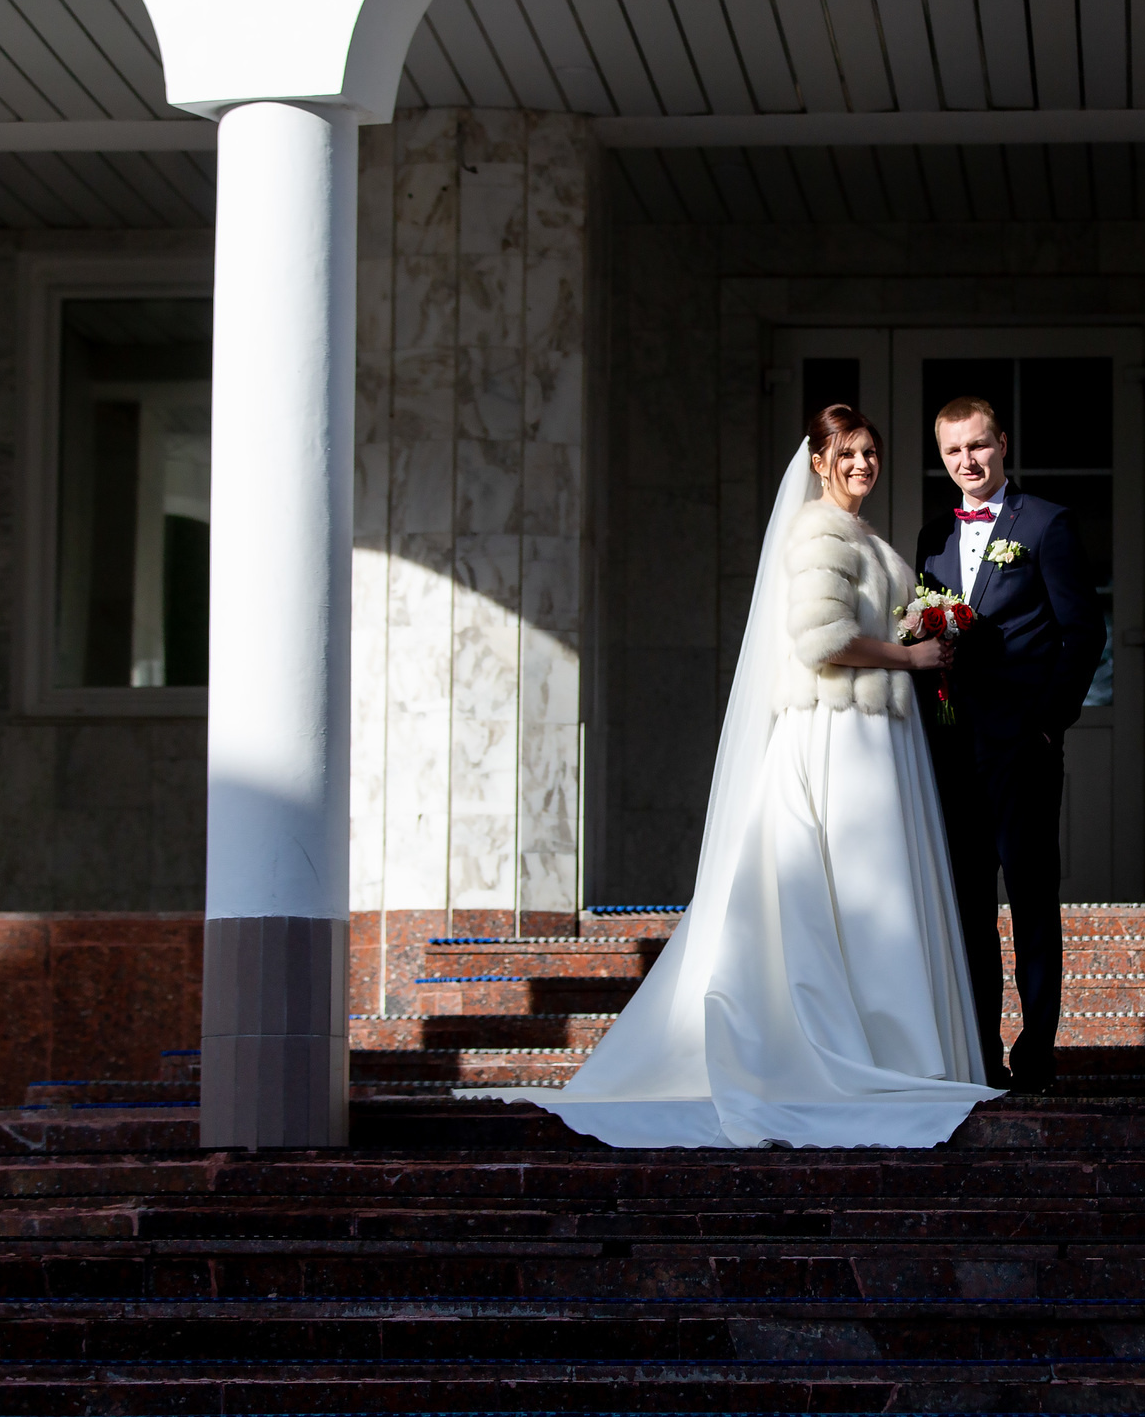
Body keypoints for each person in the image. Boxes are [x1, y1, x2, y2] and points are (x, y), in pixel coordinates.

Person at [470, 406, 1000, 1148]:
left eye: (871, 452)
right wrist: (908, 656)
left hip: (882, 734)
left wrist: (923, 631)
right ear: (818, 461)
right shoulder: (819, 534)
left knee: (877, 887)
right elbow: (822, 640)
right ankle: (851, 1046)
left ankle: (893, 1045)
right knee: (852, 882)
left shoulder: (869, 540)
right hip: (839, 731)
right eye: (847, 453)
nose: (862, 465)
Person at [914, 396, 1105, 1092]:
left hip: (1023, 745)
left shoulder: (1047, 524)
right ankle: (980, 1053)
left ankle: (1037, 1054)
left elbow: (1084, 632)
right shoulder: (933, 536)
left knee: (1031, 899)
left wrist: (1049, 721)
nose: (968, 460)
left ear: (1002, 444)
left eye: (978, 445)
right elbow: (926, 628)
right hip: (953, 750)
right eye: (953, 450)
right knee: (968, 905)